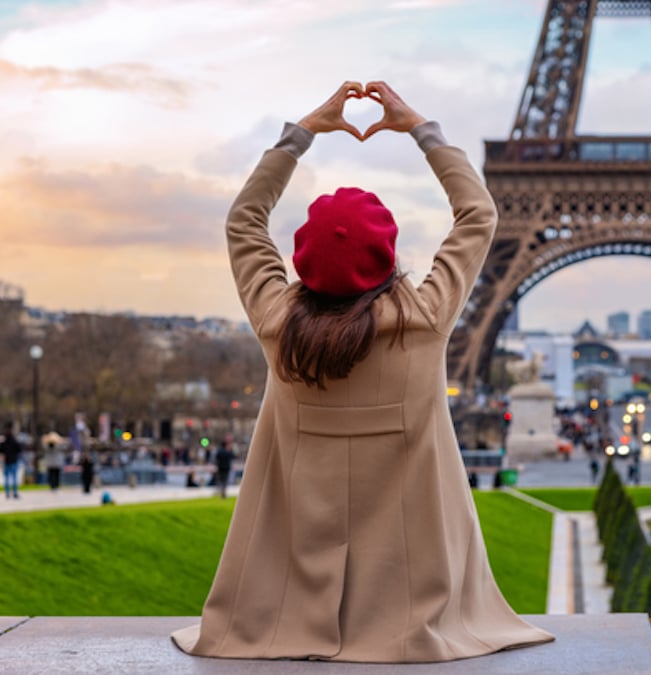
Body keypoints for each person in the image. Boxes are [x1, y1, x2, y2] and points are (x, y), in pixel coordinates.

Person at [171, 81, 553, 663]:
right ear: (387, 253)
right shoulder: (423, 321)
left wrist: (298, 137)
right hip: (406, 599)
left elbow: (244, 221)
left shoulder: (277, 325)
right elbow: (478, 213)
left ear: (302, 257)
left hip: (289, 591)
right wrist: (424, 131)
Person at [2, 423, 20, 499]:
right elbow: (19, 450)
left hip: (6, 461)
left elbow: (1, 451)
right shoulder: (15, 442)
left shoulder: (4, 443)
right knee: (15, 478)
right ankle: (15, 492)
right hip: (14, 461)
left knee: (6, 478)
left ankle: (7, 493)